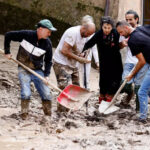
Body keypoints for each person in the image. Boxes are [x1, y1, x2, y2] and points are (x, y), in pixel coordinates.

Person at [4, 19, 57, 119]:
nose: (50, 34)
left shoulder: (47, 44)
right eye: (48, 31)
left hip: (37, 70)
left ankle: (48, 116)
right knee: (26, 93)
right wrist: (7, 51)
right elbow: (8, 35)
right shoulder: (26, 35)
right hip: (23, 68)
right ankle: (24, 115)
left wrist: (46, 75)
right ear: (40, 29)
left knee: (46, 93)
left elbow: (49, 61)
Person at [53, 17, 95, 112]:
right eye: (88, 33)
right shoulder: (73, 33)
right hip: (61, 62)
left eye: (90, 35)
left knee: (76, 87)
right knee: (64, 88)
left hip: (73, 64)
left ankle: (70, 108)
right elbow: (64, 50)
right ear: (83, 28)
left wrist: (82, 54)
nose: (88, 36)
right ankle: (61, 112)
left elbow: (82, 48)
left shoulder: (86, 35)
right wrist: (79, 58)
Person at [82, 16, 123, 103]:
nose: (107, 30)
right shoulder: (99, 34)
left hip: (115, 61)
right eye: (105, 27)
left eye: (109, 28)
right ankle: (101, 96)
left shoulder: (115, 33)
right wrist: (83, 51)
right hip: (104, 60)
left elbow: (122, 41)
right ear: (101, 26)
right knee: (103, 79)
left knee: (115, 79)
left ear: (112, 27)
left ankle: (110, 96)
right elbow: (89, 43)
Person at [116, 21, 150, 123]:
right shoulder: (142, 29)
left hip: (147, 61)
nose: (121, 35)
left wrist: (131, 75)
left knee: (142, 92)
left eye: (121, 32)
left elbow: (141, 61)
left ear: (126, 28)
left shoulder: (132, 41)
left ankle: (143, 118)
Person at [119, 10, 148, 111]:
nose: (128, 21)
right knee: (125, 82)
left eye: (130, 19)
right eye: (126, 19)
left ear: (137, 19)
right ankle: (129, 94)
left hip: (142, 63)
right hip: (129, 62)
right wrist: (121, 44)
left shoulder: (142, 30)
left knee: (139, 87)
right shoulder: (123, 30)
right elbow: (118, 46)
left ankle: (139, 109)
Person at [78, 15, 99, 90]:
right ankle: (76, 88)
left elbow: (94, 49)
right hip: (77, 56)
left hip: (87, 58)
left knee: (86, 75)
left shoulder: (92, 34)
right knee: (75, 73)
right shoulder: (79, 32)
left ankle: (86, 89)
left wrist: (97, 62)